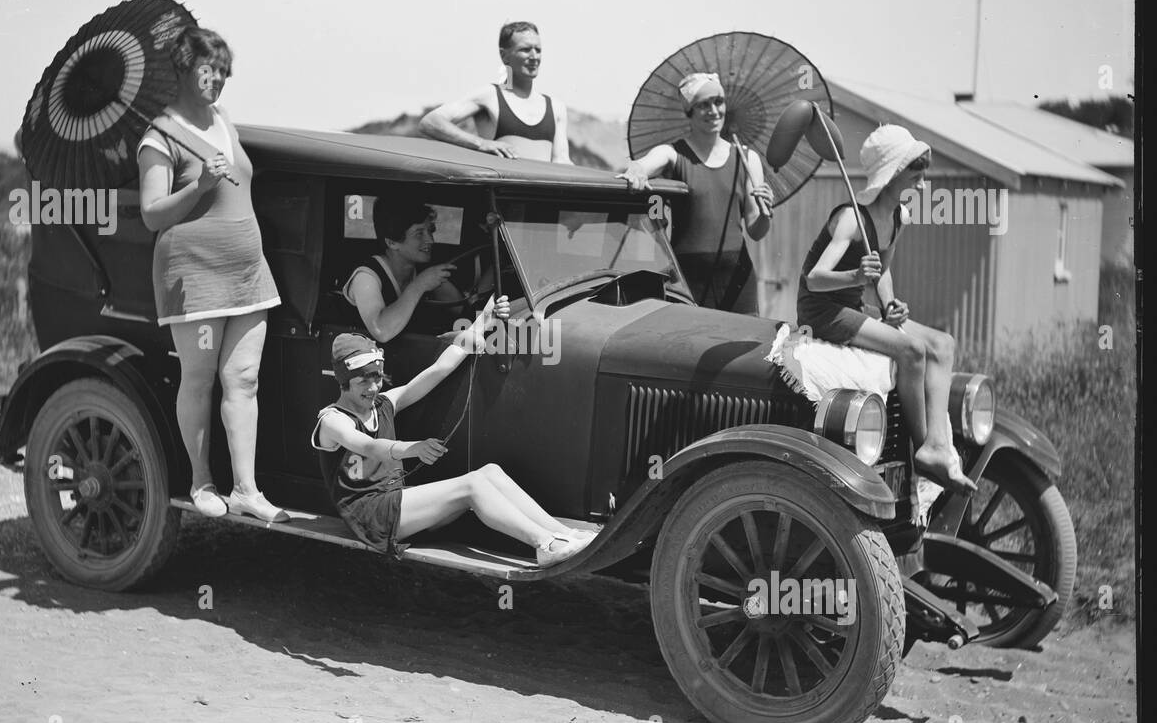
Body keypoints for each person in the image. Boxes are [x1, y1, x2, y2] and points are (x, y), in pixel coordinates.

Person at [136, 25, 288, 522]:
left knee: (243, 379)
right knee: (199, 379)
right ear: (183, 68)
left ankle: (245, 490)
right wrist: (200, 185)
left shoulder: (223, 119)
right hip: (195, 277)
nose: (219, 79)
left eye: (225, 71)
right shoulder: (158, 136)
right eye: (210, 69)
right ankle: (202, 481)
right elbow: (153, 214)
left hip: (248, 272)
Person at [311, 305, 596, 566]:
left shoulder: (384, 403)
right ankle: (543, 544)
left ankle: (563, 534)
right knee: (472, 486)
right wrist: (413, 448)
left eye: (376, 378)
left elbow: (438, 370)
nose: (372, 387)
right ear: (343, 381)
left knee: (490, 473)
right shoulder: (332, 421)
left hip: (396, 501)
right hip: (371, 517)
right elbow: (370, 446)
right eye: (363, 381)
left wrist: (483, 320)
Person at [797, 124, 976, 494]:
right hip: (823, 311)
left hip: (853, 304)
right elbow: (814, 279)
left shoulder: (899, 217)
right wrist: (853, 275)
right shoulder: (851, 218)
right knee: (911, 351)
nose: (923, 185)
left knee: (943, 344)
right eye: (916, 175)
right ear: (893, 173)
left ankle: (940, 447)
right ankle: (925, 447)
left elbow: (883, 271)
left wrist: (889, 306)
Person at [618, 73, 774, 314]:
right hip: (688, 280)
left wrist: (765, 214)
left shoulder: (748, 159)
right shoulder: (672, 154)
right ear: (689, 111)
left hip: (737, 280)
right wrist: (637, 170)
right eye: (703, 105)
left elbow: (756, 230)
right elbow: (642, 165)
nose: (713, 110)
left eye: (718, 101)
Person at [419, 21, 570, 163]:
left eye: (538, 50)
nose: (534, 56)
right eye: (525, 50)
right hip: (501, 190)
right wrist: (480, 143)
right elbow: (430, 122)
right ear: (504, 56)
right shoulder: (489, 96)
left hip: (541, 190)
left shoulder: (556, 107)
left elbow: (562, 162)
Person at [343, 197, 465, 342]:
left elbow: (459, 309)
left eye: (430, 231)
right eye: (419, 234)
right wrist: (419, 285)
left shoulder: (420, 269)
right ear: (392, 242)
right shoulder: (365, 277)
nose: (430, 240)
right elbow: (381, 331)